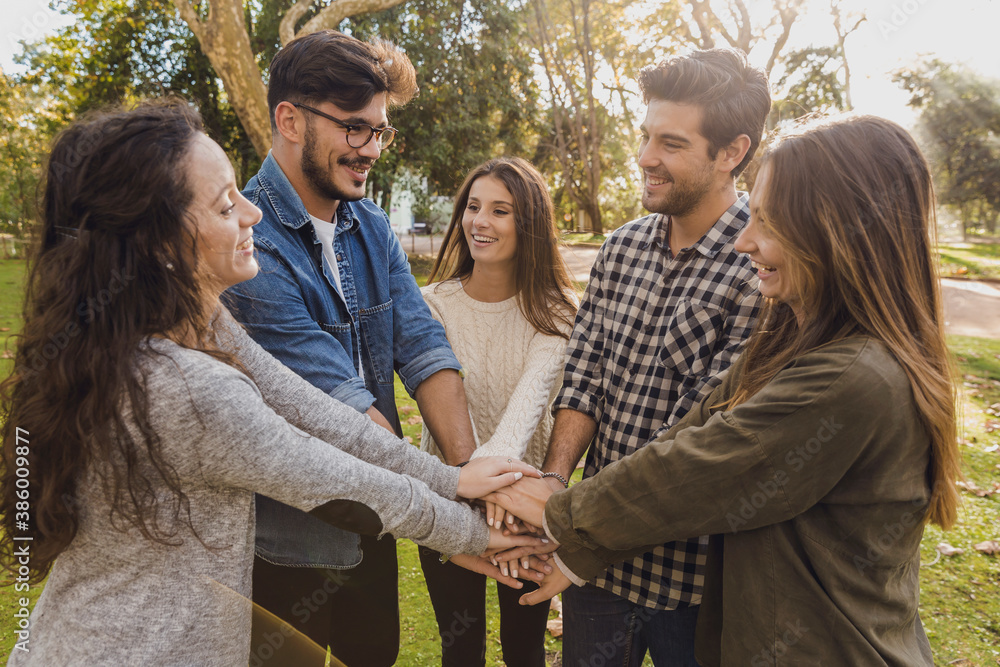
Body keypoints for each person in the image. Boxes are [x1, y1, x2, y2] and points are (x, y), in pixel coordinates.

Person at [0, 100, 546, 666]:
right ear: (159, 242)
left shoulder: (190, 321)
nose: (251, 215)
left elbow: (316, 412)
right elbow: (332, 478)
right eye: (223, 205)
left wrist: (451, 479)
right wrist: (471, 534)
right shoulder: (186, 388)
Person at [488, 114, 961, 666]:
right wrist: (562, 514)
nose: (744, 241)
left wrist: (558, 516)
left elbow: (699, 468)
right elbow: (701, 429)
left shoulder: (850, 376)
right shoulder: (794, 333)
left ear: (836, 233)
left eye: (770, 221)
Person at [221, 30, 489, 665]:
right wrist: (455, 504)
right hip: (288, 541)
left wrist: (469, 476)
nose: (371, 150)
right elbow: (338, 403)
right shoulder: (246, 241)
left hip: (376, 520)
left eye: (380, 131)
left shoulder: (368, 224)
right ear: (290, 119)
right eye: (354, 129)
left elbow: (422, 345)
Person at [532, 48, 770, 665]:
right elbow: (583, 380)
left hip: (692, 583)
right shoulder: (621, 247)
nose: (644, 158)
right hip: (593, 575)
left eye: (669, 143)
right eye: (645, 137)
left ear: (731, 153)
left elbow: (704, 440)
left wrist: (580, 527)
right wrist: (556, 486)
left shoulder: (761, 270)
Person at [417, 157, 577, 666]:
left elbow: (523, 416)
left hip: (525, 515)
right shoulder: (430, 305)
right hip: (446, 506)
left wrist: (504, 502)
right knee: (459, 650)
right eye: (473, 206)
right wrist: (469, 499)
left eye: (500, 211)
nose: (479, 221)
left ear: (527, 224)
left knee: (524, 650)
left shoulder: (558, 312)